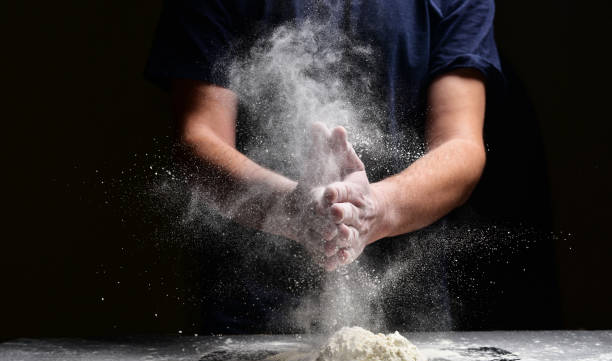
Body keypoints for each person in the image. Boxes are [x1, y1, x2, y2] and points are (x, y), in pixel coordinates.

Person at [145, 0, 503, 332]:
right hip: (250, 314)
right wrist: (290, 208)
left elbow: (462, 147)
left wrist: (375, 210)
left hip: (407, 312)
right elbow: (198, 138)